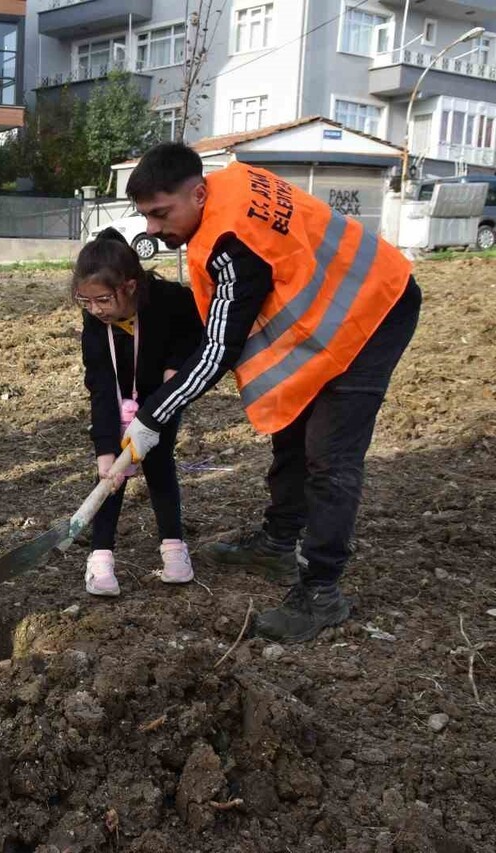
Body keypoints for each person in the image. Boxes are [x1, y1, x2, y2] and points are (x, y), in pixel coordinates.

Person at [121, 142, 420, 643]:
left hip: (374, 308)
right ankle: (278, 543)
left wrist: (152, 418)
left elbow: (219, 348)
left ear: (197, 193)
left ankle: (321, 591)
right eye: (146, 216)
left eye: (159, 213)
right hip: (327, 308)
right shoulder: (227, 185)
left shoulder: (231, 240)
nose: (151, 229)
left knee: (329, 456)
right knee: (292, 421)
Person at [74, 229, 201, 596]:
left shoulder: (168, 299)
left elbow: (195, 326)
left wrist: (176, 366)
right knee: (112, 474)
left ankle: (174, 550)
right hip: (118, 403)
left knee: (160, 466)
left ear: (130, 287)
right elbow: (98, 382)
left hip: (161, 400)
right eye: (85, 301)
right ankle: (100, 559)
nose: (94, 310)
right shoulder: (95, 322)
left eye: (101, 300)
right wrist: (104, 449)